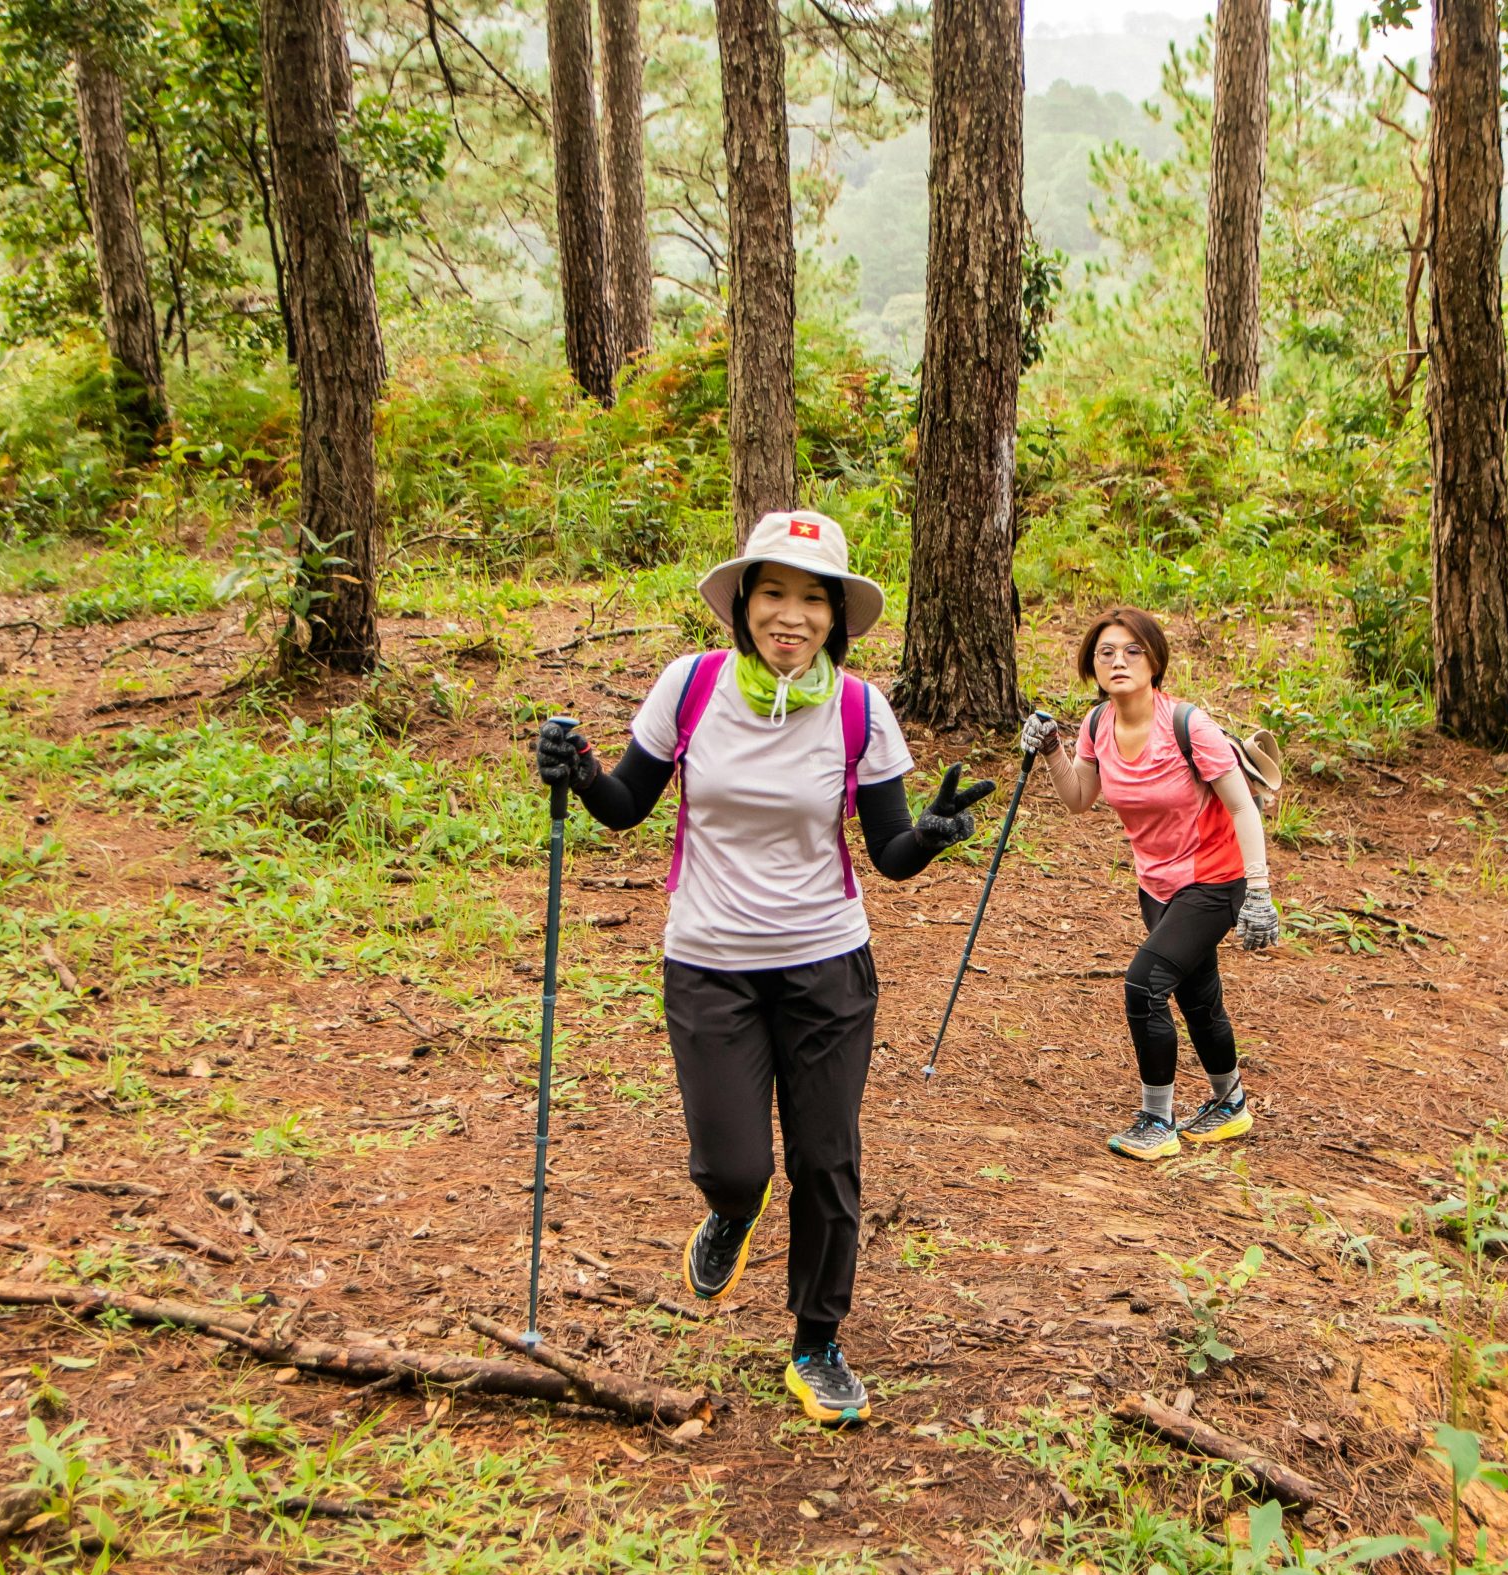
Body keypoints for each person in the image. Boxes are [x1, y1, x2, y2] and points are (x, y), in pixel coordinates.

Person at [535, 509, 993, 1425]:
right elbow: (626, 805)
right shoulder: (691, 686)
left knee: (826, 1160)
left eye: (812, 599)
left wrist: (932, 836)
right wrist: (579, 770)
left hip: (827, 962)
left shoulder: (860, 709)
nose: (791, 614)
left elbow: (891, 850)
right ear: (743, 604)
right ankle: (732, 1213)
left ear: (837, 617)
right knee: (739, 1165)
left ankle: (817, 1341)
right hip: (708, 962)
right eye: (773, 593)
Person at [1021, 607, 1280, 1161]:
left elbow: (1242, 808)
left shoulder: (1189, 726)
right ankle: (1229, 1103)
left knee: (1144, 985)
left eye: (1132, 651)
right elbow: (1079, 799)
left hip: (1214, 881)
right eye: (1106, 653)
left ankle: (1157, 1120)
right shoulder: (1098, 726)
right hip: (1157, 884)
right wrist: (1051, 750)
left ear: (1155, 661)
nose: (1118, 661)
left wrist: (1258, 892)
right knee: (1197, 994)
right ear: (1093, 666)